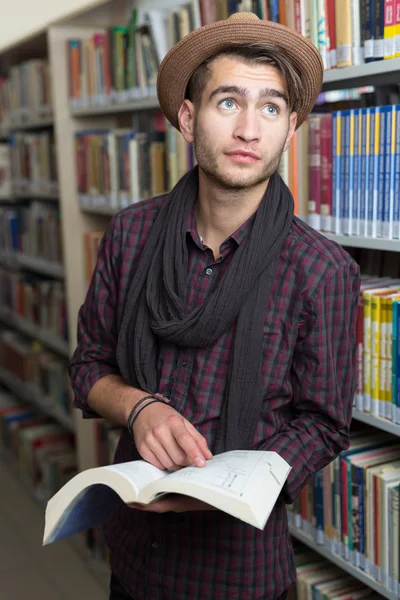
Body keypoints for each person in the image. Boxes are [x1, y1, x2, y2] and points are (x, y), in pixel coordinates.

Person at [70, 12, 360, 600]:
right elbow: (88, 366)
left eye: (272, 108)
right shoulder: (130, 236)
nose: (250, 129)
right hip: (133, 558)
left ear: (291, 127)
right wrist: (139, 407)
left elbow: (325, 425)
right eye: (228, 102)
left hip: (240, 573)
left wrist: (230, 486)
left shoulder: (323, 272)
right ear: (187, 118)